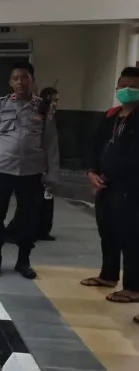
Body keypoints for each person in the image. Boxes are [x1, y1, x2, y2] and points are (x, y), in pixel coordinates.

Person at [0, 61, 60, 279]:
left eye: (25, 77)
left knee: (28, 218)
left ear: (32, 80)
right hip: (2, 170)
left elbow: (51, 143)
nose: (20, 82)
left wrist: (52, 173)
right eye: (16, 78)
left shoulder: (43, 107)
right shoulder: (0, 105)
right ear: (10, 82)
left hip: (31, 173)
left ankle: (24, 262)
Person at [80, 66, 139, 304]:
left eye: (133, 87)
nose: (127, 90)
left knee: (130, 236)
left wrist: (114, 176)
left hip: (130, 186)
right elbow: (96, 146)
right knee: (108, 231)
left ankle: (134, 287)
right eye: (123, 85)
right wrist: (92, 172)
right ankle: (108, 275)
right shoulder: (111, 116)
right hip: (105, 184)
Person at [5, 87, 61, 243]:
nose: (56, 103)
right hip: (36, 165)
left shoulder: (50, 116)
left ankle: (42, 230)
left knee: (45, 201)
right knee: (30, 203)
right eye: (54, 100)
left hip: (46, 164)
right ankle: (15, 231)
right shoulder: (38, 115)